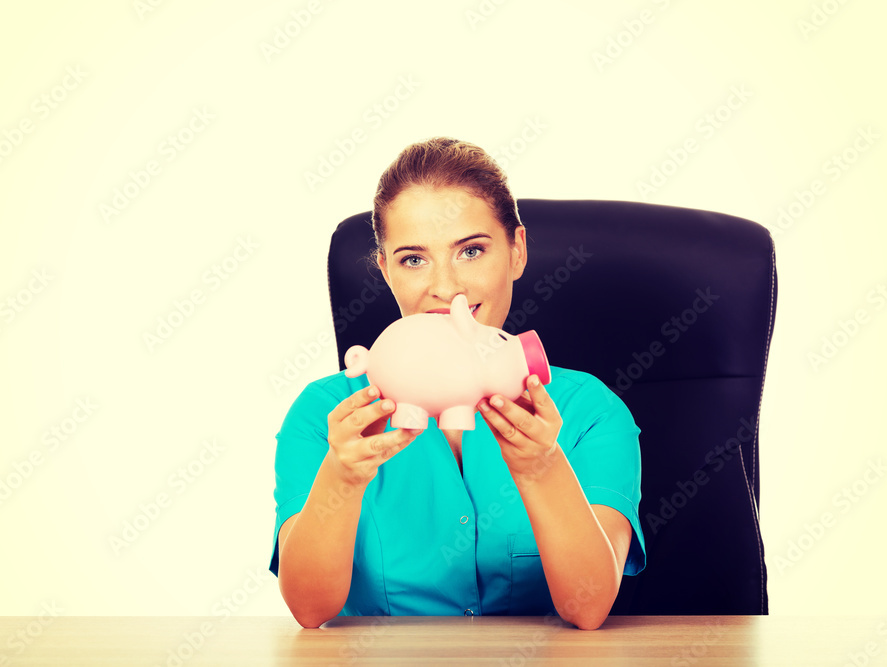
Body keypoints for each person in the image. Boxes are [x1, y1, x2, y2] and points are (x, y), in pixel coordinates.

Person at [269, 137, 645, 630]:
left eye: (471, 251)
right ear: (386, 271)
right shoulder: (326, 415)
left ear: (517, 252)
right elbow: (309, 610)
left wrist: (542, 469)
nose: (446, 289)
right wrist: (341, 477)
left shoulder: (590, 412)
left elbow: (588, 608)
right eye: (413, 259)